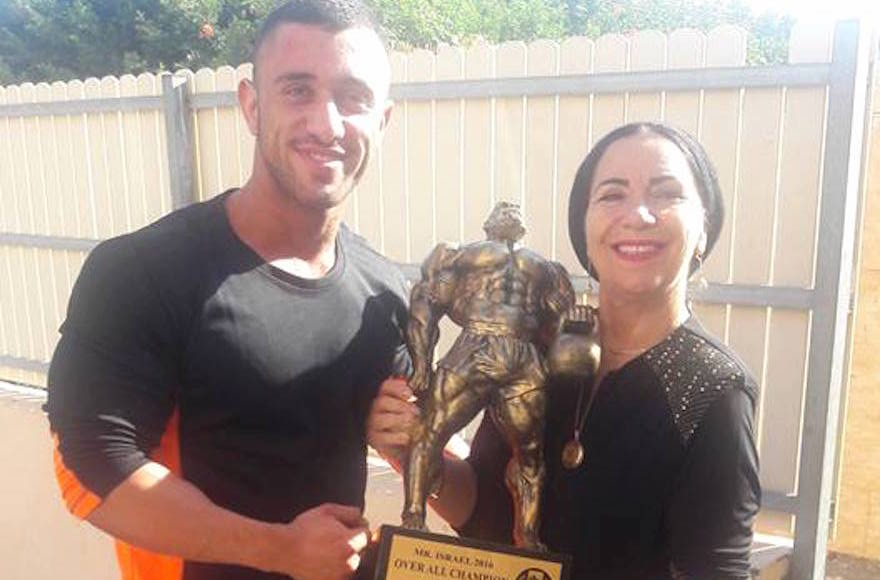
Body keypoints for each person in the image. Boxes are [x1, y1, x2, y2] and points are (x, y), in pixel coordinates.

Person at [46, 2, 408, 579]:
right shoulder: (146, 269)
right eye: (297, 91)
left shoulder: (383, 292)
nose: (327, 123)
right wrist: (280, 549)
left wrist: (405, 432)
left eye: (353, 97)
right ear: (251, 105)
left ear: (382, 121)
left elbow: (402, 431)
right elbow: (90, 467)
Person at [368, 122, 761, 578]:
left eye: (666, 193)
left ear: (703, 228)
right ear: (585, 228)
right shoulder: (538, 349)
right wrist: (410, 447)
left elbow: (718, 571)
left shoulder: (713, 388)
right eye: (612, 194)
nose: (638, 214)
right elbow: (482, 510)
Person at [400, 201, 575, 550]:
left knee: (523, 453)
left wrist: (422, 365)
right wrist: (420, 364)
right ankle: (414, 521)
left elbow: (425, 307)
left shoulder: (464, 256)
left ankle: (526, 538)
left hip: (494, 351)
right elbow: (557, 327)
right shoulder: (541, 269)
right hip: (507, 353)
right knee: (432, 434)